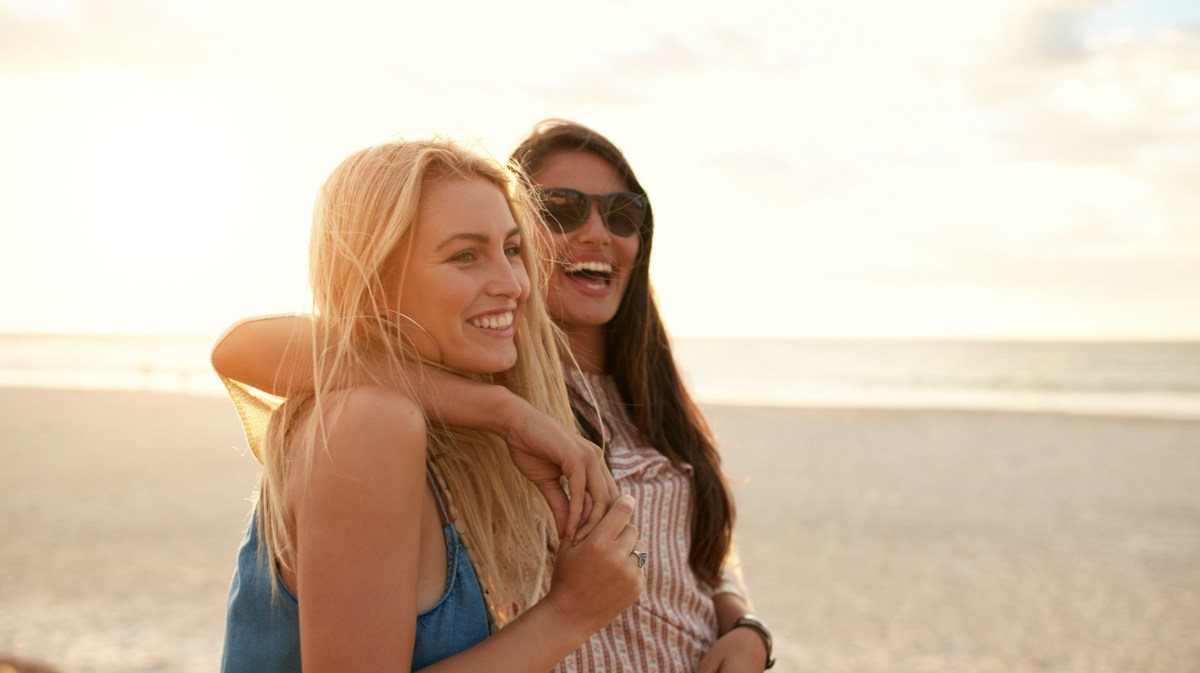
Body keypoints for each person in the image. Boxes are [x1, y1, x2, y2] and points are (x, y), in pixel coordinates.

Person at [213, 121, 775, 672]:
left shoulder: (494, 421)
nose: (513, 281)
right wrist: (571, 612)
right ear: (376, 273)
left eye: (511, 250)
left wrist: (745, 623)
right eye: (465, 255)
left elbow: (698, 546)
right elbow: (239, 349)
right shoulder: (375, 421)